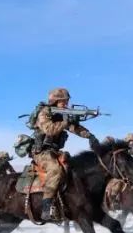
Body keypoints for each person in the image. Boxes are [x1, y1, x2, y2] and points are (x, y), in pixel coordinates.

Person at [32, 87, 99, 220]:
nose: (66, 104)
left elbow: (73, 127)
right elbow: (49, 129)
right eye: (63, 102)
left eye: (67, 101)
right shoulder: (44, 112)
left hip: (55, 151)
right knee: (55, 170)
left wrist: (89, 136)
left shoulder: (62, 114)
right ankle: (47, 205)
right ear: (55, 101)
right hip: (42, 152)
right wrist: (65, 121)